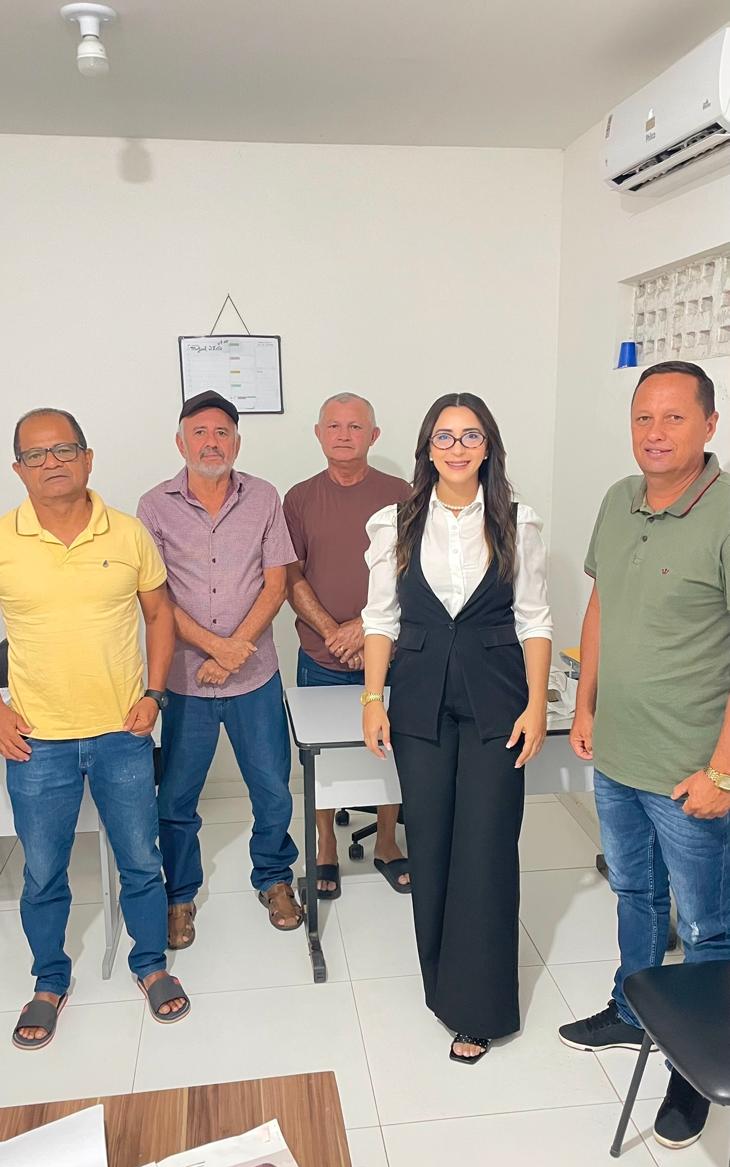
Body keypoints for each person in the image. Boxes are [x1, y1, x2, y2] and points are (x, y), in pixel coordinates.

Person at [559, 360, 730, 1149]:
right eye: (642, 418)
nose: (654, 433)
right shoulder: (618, 499)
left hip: (691, 770)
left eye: (673, 417)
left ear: (709, 425)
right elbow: (601, 606)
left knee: (706, 925)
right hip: (619, 755)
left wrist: (722, 771)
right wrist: (584, 703)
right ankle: (632, 1012)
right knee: (634, 893)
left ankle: (695, 1066)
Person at [362, 392, 552, 1062]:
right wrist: (373, 698)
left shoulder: (517, 520)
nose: (458, 447)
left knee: (488, 844)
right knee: (434, 843)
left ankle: (479, 1009)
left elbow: (534, 618)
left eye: (471, 435)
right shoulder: (394, 521)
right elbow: (381, 616)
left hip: (498, 697)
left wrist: (537, 703)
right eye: (444, 436)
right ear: (427, 448)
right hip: (419, 697)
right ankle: (442, 987)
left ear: (488, 446)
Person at [3, 408, 189, 1050]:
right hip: (36, 740)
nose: (51, 463)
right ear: (19, 469)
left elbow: (159, 615)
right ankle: (49, 979)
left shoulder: (129, 534)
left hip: (121, 733)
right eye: (36, 454)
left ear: (87, 457)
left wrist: (154, 694)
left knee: (141, 859)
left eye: (63, 450)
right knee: (43, 871)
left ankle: (151, 965)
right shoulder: (3, 539)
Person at [137, 391, 301, 942]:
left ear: (237, 442)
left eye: (222, 432)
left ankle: (274, 876)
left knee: (273, 788)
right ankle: (179, 894)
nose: (212, 442)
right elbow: (157, 597)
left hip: (255, 676)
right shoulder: (154, 506)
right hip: (186, 679)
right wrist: (215, 648)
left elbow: (276, 583)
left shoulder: (264, 497)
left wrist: (236, 650)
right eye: (200, 432)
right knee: (177, 797)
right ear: (180, 442)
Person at [283, 392, 411, 897]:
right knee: (322, 761)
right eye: (333, 426)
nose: (343, 435)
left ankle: (387, 843)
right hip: (321, 656)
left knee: (390, 751)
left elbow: (413, 571)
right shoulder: (298, 498)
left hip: (391, 651)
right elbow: (290, 576)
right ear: (318, 434)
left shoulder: (402, 493)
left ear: (373, 436)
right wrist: (334, 633)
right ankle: (326, 848)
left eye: (355, 426)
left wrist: (365, 627)